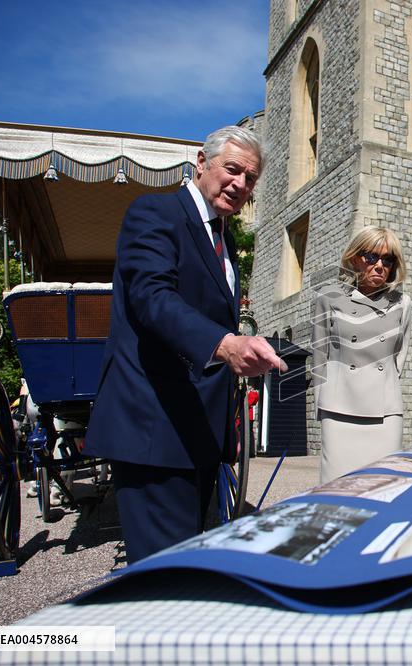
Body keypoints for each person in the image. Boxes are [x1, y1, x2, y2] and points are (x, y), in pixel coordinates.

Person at [85, 126, 286, 564]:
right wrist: (224, 344)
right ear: (201, 162)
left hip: (199, 433)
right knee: (162, 574)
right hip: (154, 426)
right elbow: (151, 298)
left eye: (251, 178)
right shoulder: (155, 213)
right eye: (232, 169)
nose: (240, 184)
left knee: (188, 563)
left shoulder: (224, 239)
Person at [311, 227, 412, 484]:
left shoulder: (402, 303)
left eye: (387, 260)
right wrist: (321, 406)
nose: (379, 266)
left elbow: (398, 357)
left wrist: (385, 385)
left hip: (384, 412)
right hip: (338, 407)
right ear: (355, 258)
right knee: (336, 488)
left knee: (383, 486)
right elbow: (319, 356)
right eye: (371, 257)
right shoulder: (328, 297)